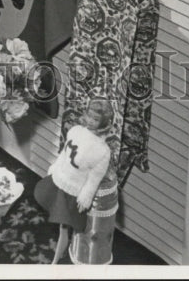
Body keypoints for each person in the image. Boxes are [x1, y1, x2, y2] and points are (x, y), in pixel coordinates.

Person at [34, 97, 113, 263]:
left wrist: (86, 196)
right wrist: (55, 168)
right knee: (58, 220)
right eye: (89, 116)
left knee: (64, 228)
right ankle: (61, 251)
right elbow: (64, 154)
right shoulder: (76, 130)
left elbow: (94, 178)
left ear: (103, 122)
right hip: (60, 180)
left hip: (73, 191)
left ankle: (55, 262)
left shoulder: (102, 150)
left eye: (96, 119)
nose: (91, 121)